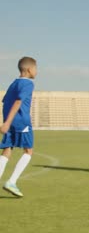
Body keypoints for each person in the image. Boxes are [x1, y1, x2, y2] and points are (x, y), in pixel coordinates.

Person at [0, 57, 37, 197]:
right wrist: (8, 122)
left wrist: (6, 121)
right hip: (21, 121)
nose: (37, 72)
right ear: (29, 70)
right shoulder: (28, 83)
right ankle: (12, 181)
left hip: (10, 121)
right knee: (28, 151)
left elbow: (5, 102)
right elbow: (18, 102)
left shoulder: (14, 83)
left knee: (7, 150)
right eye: (36, 68)